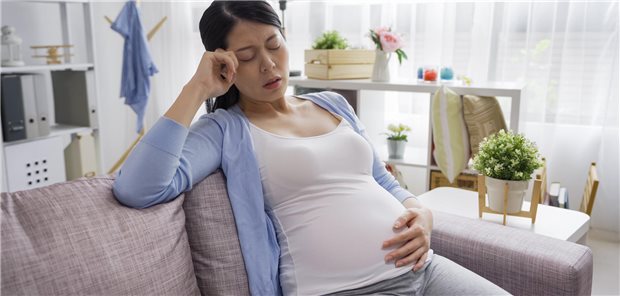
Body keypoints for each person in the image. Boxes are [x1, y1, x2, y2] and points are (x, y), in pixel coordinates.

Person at [113, 1, 509, 295]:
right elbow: (138, 188)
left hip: (425, 271)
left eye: (274, 45)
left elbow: (379, 181)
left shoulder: (332, 103)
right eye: (247, 57)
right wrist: (196, 88)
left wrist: (422, 214)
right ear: (223, 66)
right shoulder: (224, 130)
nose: (268, 65)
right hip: (346, 288)